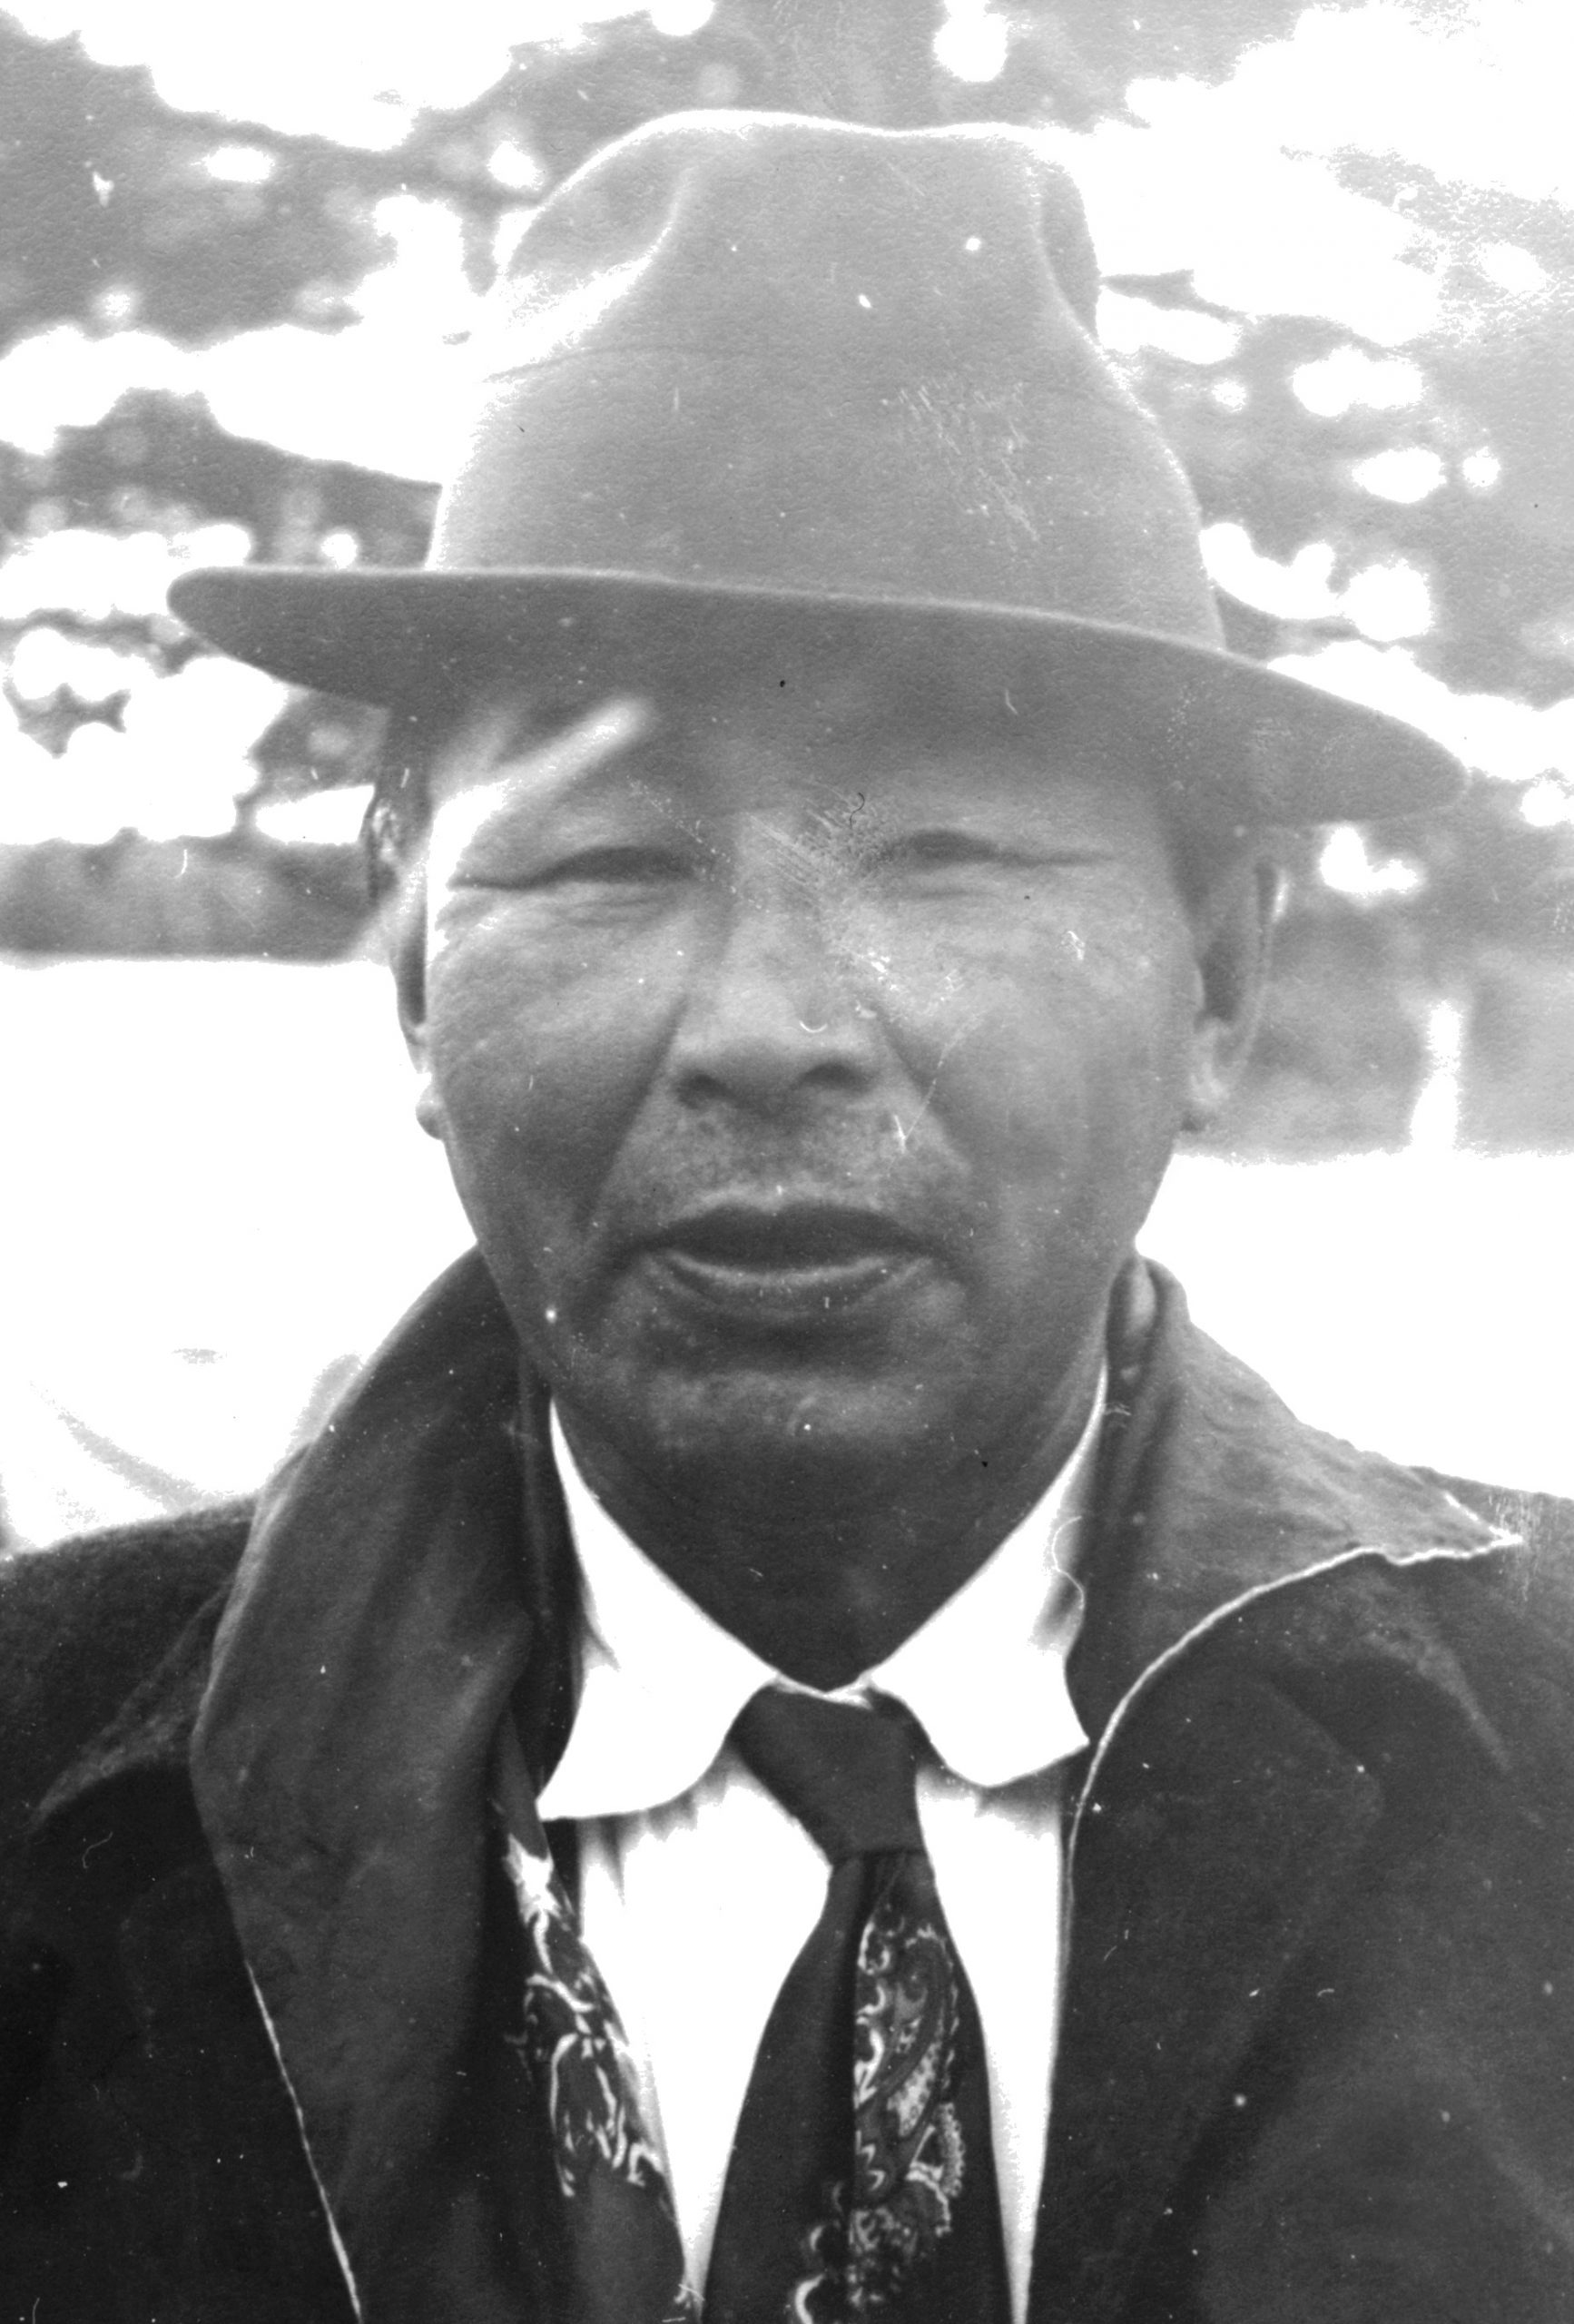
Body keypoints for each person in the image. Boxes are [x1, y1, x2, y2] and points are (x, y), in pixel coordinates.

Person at [3, 109, 1572, 2324]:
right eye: (607, 861)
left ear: (1216, 968)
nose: (769, 1028)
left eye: (946, 855)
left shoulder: (1551, 1749)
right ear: (422, 964)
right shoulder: (44, 1776)